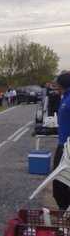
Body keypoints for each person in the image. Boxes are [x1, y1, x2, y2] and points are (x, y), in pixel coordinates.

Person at [53, 71, 70, 210]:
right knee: (59, 188)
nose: (56, 87)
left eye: (57, 84)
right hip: (62, 145)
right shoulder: (65, 97)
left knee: (61, 188)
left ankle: (66, 217)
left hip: (68, 149)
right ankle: (65, 215)